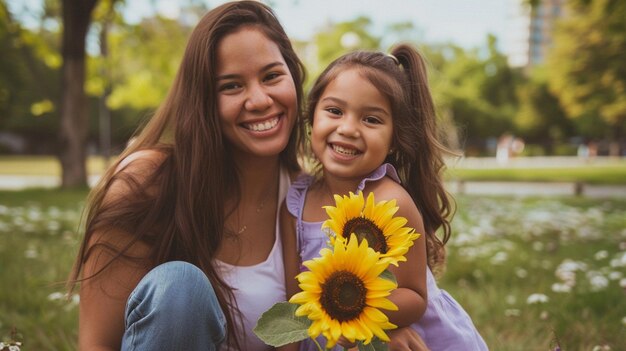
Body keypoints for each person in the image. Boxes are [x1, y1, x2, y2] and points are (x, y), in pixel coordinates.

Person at [68, 1, 307, 350]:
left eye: (271, 76)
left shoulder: (311, 203)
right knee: (181, 286)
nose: (258, 100)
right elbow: (96, 344)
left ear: (293, 78)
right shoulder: (146, 183)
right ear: (203, 101)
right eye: (231, 86)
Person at [281, 46, 488, 350]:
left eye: (372, 120)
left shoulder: (388, 202)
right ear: (312, 118)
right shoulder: (296, 203)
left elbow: (415, 297)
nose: (348, 128)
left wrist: (355, 316)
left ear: (394, 139)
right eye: (334, 111)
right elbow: (292, 300)